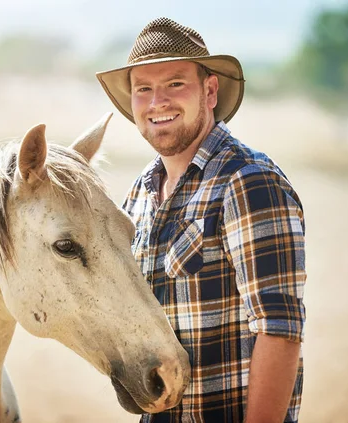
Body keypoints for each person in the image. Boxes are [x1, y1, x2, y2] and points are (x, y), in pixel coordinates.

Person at [96, 17, 306, 423]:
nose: (157, 101)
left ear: (210, 91)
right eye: (143, 89)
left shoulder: (247, 181)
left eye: (175, 83)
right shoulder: (139, 194)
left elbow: (279, 329)